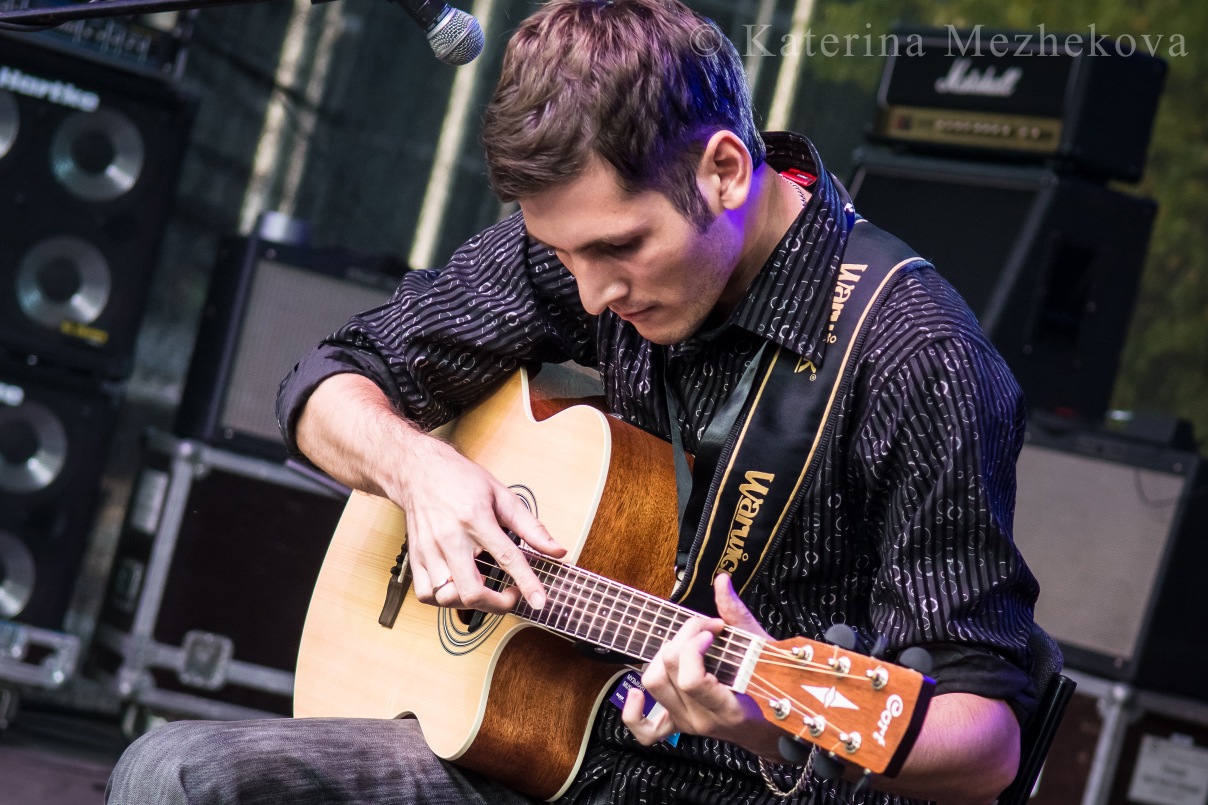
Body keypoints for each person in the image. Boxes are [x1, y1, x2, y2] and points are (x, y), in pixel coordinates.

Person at [107, 1, 1039, 803]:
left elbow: (986, 741)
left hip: (731, 785)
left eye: (620, 250)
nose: (593, 297)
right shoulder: (578, 243)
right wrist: (423, 471)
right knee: (174, 773)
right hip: (524, 745)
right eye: (564, 256)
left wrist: (767, 724)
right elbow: (326, 384)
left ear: (722, 169)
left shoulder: (920, 360)